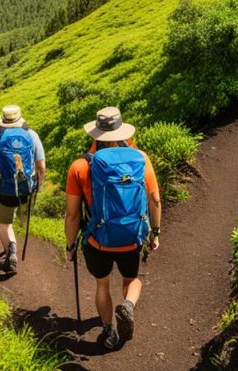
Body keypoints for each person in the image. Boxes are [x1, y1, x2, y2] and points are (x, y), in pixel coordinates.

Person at [64, 107, 162, 349]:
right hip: (132, 236)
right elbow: (155, 199)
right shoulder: (140, 158)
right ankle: (128, 305)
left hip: (98, 240)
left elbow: (72, 214)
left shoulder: (80, 166)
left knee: (102, 284)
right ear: (122, 131)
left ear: (96, 134)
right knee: (132, 279)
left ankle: (109, 331)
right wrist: (155, 232)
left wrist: (70, 244)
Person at [0, 105, 46, 274]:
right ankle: (19, 227)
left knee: (4, 224)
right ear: (19, 118)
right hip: (27, 188)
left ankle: (11, 251)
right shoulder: (32, 135)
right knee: (20, 215)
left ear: (2, 121)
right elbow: (41, 166)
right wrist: (39, 186)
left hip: (3, 190)